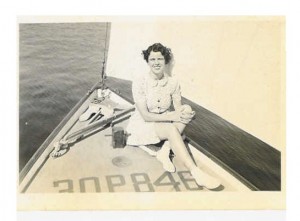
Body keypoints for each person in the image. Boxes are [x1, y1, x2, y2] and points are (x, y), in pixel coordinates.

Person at [126, 43, 221, 189]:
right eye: (152, 59)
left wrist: (186, 114)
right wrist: (174, 116)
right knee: (171, 129)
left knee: (186, 108)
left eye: (160, 59)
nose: (156, 63)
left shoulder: (173, 82)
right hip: (142, 124)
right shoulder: (140, 82)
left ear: (165, 61)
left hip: (163, 121)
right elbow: (146, 116)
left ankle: (165, 150)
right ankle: (196, 172)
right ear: (147, 61)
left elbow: (178, 108)